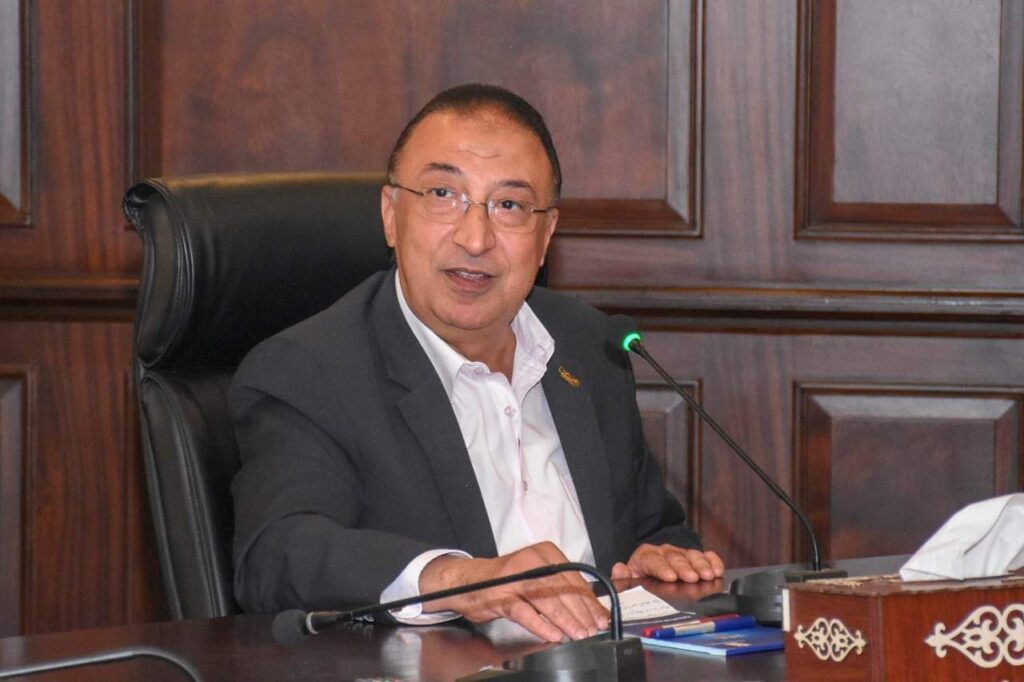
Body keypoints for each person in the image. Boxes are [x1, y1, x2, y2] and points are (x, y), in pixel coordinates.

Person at [230, 83, 723, 643]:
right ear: (391, 215)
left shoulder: (589, 345)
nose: (475, 238)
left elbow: (653, 528)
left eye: (509, 205)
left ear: (545, 235)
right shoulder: (308, 371)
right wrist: (459, 580)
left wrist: (659, 559)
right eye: (443, 194)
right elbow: (277, 555)